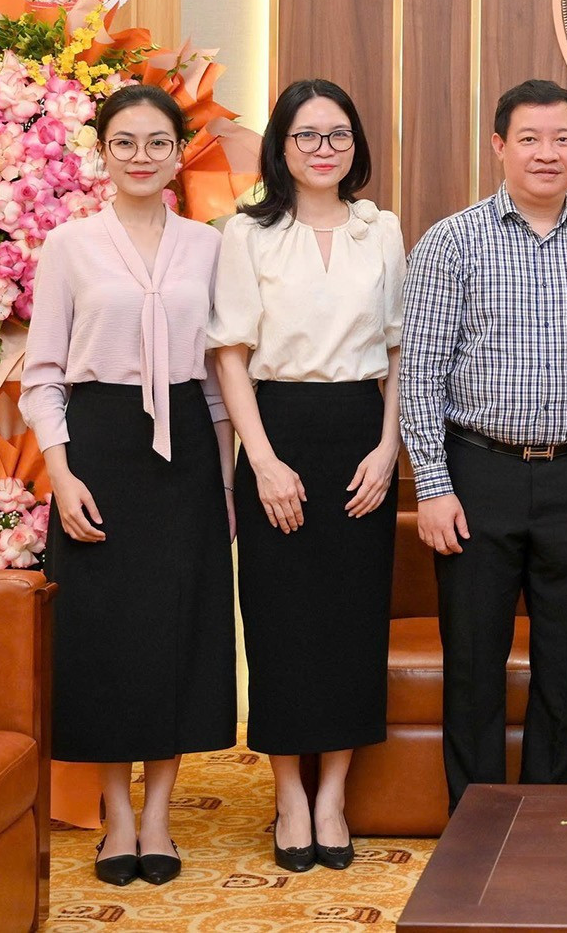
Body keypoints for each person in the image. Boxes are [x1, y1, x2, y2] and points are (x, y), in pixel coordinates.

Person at [398, 78, 567, 810]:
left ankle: (545, 820)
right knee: (473, 663)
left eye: (562, 139)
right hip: (477, 474)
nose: (547, 153)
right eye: (530, 139)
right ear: (499, 146)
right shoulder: (452, 241)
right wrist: (433, 487)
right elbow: (420, 372)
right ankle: (476, 826)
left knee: (566, 666)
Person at [22, 85, 237, 888]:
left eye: (157, 142)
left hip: (186, 451)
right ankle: (117, 812)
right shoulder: (68, 246)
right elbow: (43, 374)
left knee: (178, 628)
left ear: (180, 154)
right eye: (124, 142)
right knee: (104, 632)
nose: (141, 156)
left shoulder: (209, 246)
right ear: (102, 152)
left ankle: (159, 814)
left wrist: (225, 484)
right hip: (99, 445)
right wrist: (60, 471)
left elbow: (218, 379)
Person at [208, 79, 405, 872]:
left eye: (338, 134)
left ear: (355, 144)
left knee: (354, 620)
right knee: (280, 619)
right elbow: (229, 354)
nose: (324, 148)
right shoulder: (247, 233)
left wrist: (389, 449)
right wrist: (260, 460)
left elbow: (398, 350)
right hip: (277, 427)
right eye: (307, 135)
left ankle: (334, 796)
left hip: (361, 430)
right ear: (281, 146)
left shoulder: (380, 228)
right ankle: (290, 792)